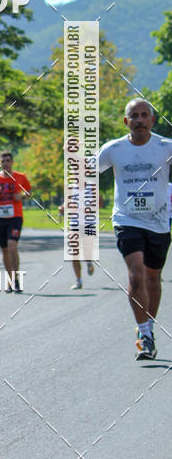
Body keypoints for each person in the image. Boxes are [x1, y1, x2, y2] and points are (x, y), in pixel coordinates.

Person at [99, 98, 172, 360]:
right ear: (126, 121)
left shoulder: (166, 147)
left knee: (154, 279)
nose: (139, 120)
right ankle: (144, 334)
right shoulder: (113, 149)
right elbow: (87, 171)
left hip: (159, 223)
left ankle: (149, 326)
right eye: (134, 116)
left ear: (152, 120)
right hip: (127, 221)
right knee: (136, 275)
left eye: (144, 115)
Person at [0, 151, 31, 293]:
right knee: (4, 250)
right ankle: (11, 280)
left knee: (12, 246)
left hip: (15, 217)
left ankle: (16, 278)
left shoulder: (20, 177)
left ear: (12, 162)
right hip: (0, 218)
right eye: (3, 161)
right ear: (0, 163)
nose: (5, 163)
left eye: (8, 160)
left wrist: (21, 196)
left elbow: (29, 192)